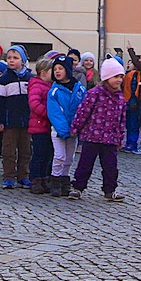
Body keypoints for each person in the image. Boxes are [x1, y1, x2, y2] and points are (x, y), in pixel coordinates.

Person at [68, 57, 128, 201]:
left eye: (121, 77)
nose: (119, 80)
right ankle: (78, 187)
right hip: (92, 136)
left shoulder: (120, 98)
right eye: (115, 77)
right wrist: (76, 127)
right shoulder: (95, 93)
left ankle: (110, 190)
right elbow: (83, 111)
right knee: (85, 164)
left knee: (110, 167)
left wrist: (120, 137)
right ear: (107, 77)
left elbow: (121, 120)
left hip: (110, 139)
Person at [0, 44, 34, 190]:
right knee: (9, 150)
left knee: (25, 150)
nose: (11, 60)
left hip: (26, 121)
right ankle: (9, 176)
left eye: (15, 58)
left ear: (22, 61)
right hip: (10, 121)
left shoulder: (30, 78)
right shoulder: (4, 80)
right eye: (9, 58)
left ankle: (23, 176)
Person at [47, 55, 86, 197]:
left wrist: (77, 128)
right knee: (59, 156)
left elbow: (83, 109)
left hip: (74, 131)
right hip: (59, 131)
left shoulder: (80, 89)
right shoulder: (54, 91)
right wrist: (64, 130)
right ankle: (55, 180)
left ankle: (65, 180)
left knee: (69, 158)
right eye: (55, 69)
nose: (57, 71)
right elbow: (55, 113)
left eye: (61, 68)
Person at [27, 53, 57, 194]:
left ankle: (44, 178)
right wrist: (48, 113)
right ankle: (35, 179)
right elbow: (34, 104)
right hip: (39, 125)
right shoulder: (37, 86)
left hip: (47, 126)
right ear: (44, 73)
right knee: (39, 154)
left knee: (47, 154)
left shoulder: (49, 86)